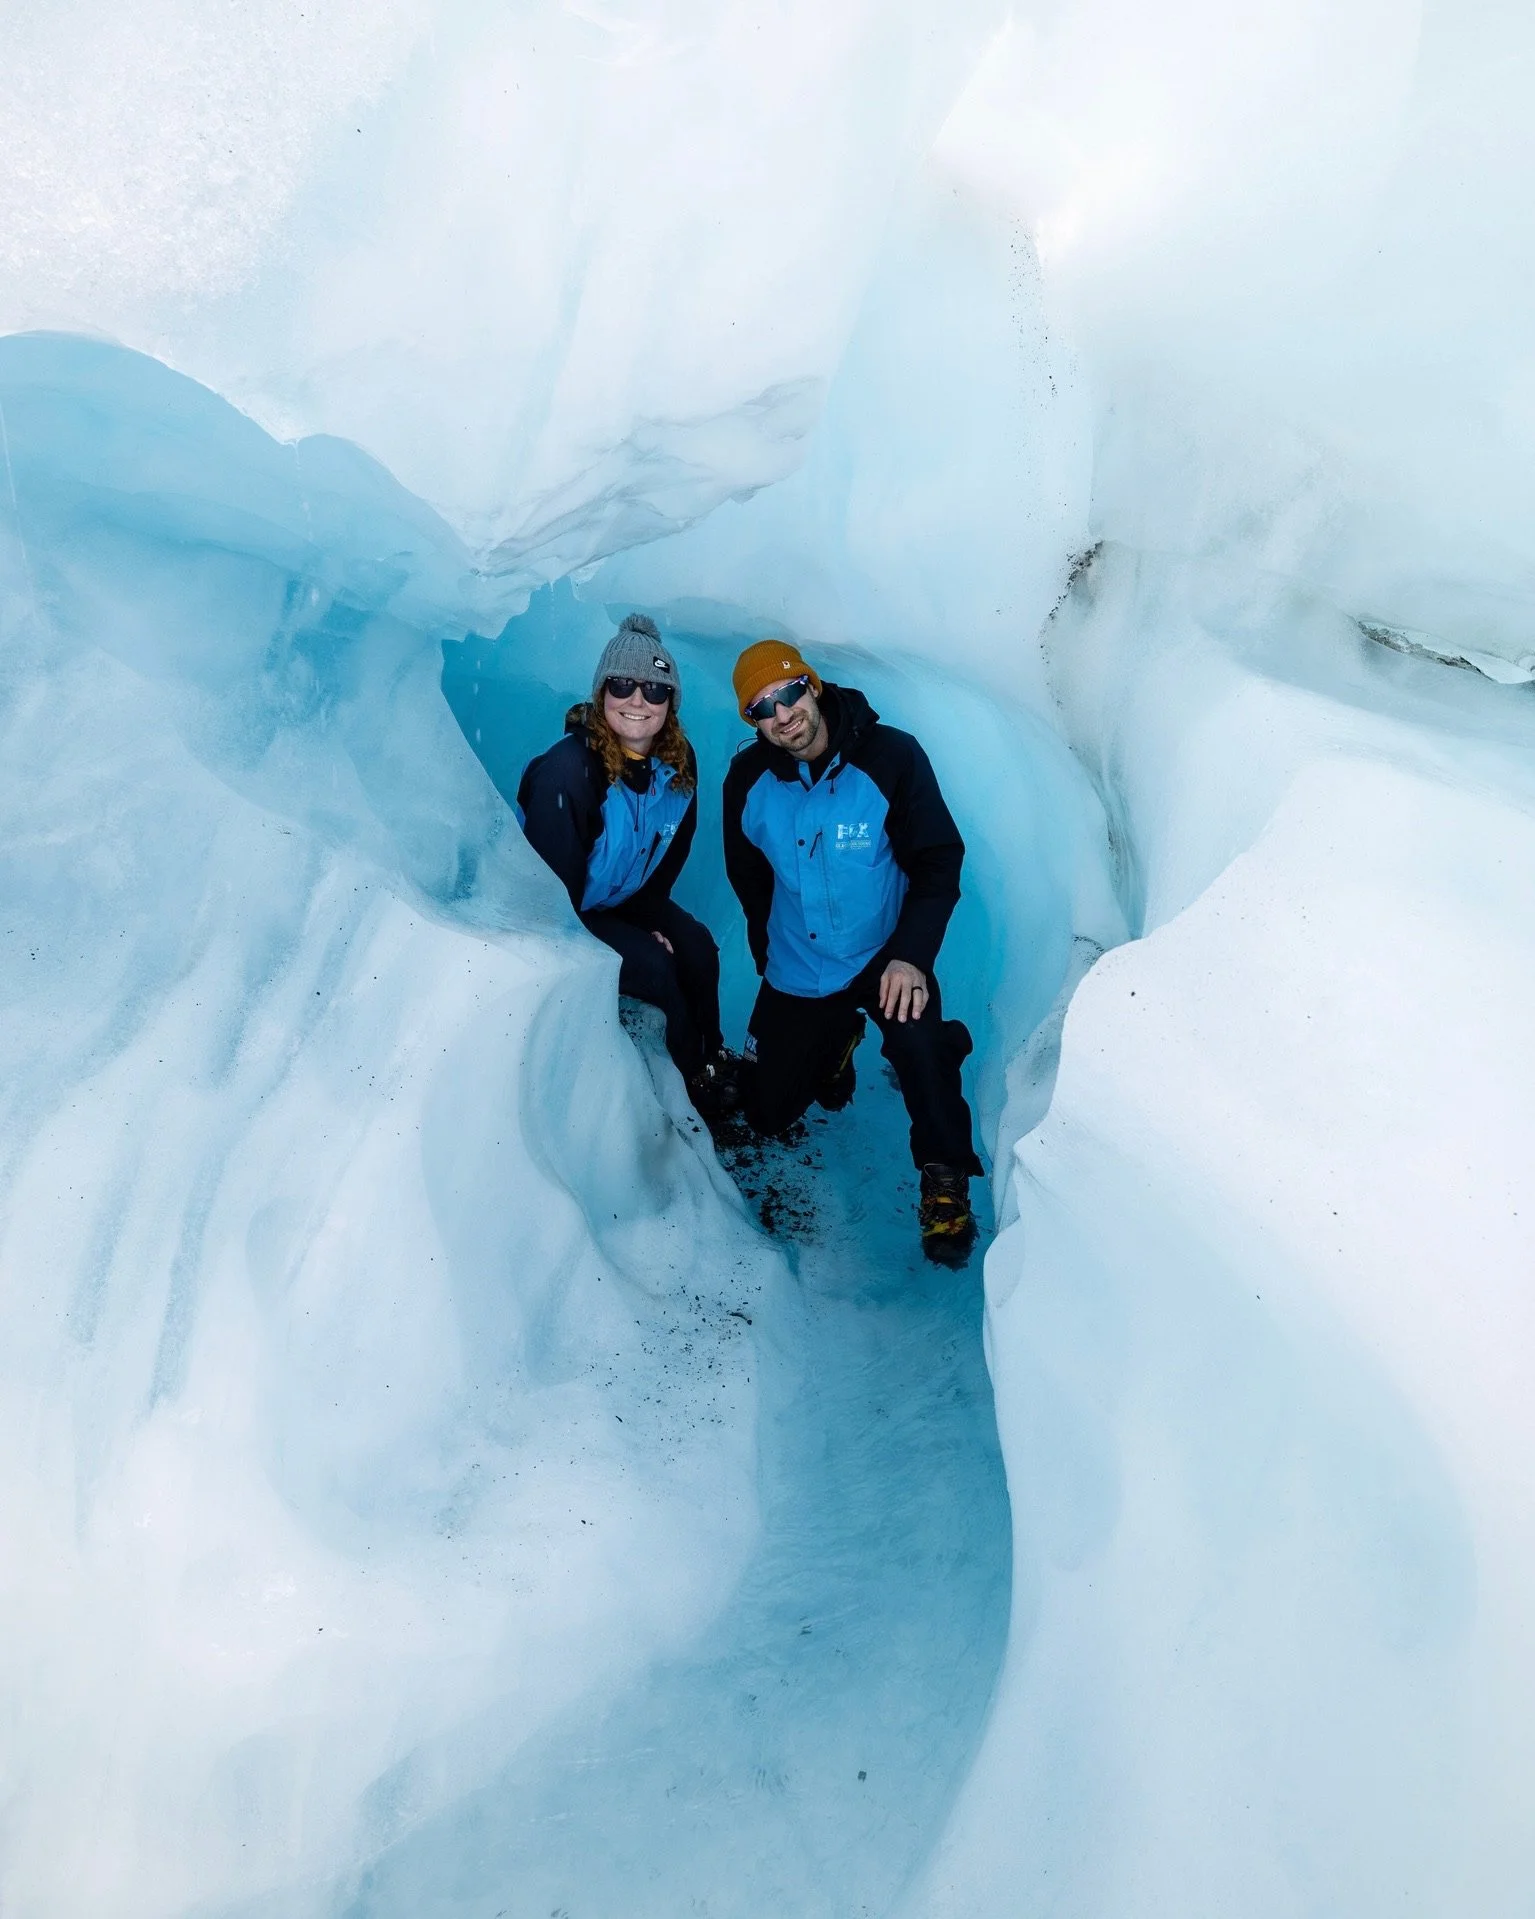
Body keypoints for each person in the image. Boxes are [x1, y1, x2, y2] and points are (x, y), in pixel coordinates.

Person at [722, 640, 983, 1265]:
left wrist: (911, 956)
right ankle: (835, 1041)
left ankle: (945, 1180)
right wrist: (768, 958)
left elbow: (938, 861)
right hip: (800, 965)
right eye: (762, 708)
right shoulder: (749, 781)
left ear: (812, 686)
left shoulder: (890, 757)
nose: (783, 714)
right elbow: (749, 880)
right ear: (753, 721)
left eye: (789, 693)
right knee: (767, 1112)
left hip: (884, 958)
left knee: (920, 1046)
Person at [518, 614, 733, 1117]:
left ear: (670, 701)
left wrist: (646, 916)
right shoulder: (569, 772)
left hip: (627, 899)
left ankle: (712, 1051)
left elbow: (671, 849)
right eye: (622, 685)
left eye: (655, 689)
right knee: (655, 965)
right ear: (602, 693)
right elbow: (549, 897)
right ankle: (689, 1073)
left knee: (697, 946)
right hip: (566, 912)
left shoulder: (679, 762)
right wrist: (632, 937)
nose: (638, 700)